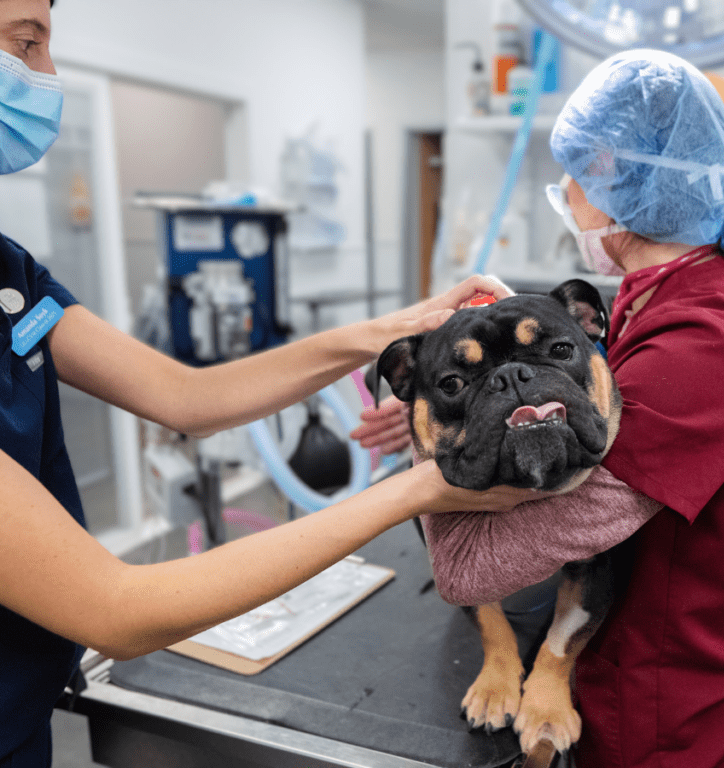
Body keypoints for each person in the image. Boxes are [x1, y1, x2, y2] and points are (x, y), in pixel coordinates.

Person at [0, 3, 540, 765]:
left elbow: (186, 397)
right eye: (25, 44)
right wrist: (423, 488)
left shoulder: (9, 271)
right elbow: (113, 609)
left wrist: (399, 326)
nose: (44, 76)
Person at [360, 50, 724, 767]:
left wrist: (434, 435)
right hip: (636, 683)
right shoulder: (651, 296)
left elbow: (471, 570)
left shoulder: (702, 345)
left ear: (626, 178)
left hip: (687, 720)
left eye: (579, 172)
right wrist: (448, 394)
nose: (564, 190)